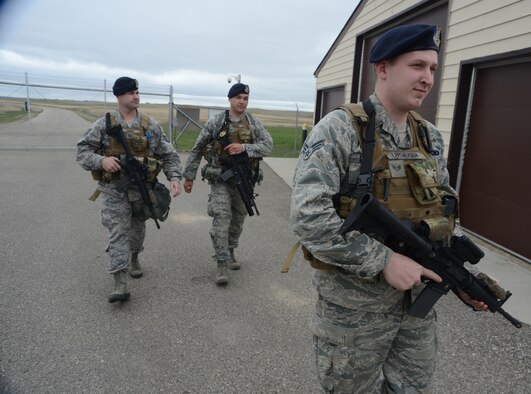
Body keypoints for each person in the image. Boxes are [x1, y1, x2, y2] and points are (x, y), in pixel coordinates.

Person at [290, 25, 494, 392]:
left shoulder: (428, 137)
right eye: (417, 65)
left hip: (416, 308)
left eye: (432, 68)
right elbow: (308, 217)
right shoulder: (340, 130)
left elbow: (443, 213)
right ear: (382, 68)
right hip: (355, 312)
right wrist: (383, 260)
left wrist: (462, 277)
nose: (427, 78)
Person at [76, 76, 182, 303]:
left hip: (142, 190)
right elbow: (82, 151)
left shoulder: (150, 125)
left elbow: (168, 154)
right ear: (118, 96)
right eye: (131, 92)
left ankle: (134, 256)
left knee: (136, 231)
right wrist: (100, 161)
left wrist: (174, 177)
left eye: (137, 92)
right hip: (114, 190)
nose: (136, 96)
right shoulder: (104, 124)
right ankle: (119, 282)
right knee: (117, 232)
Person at [183, 83, 272, 285]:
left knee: (238, 219)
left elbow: (268, 146)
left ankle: (231, 250)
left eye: (245, 98)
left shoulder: (253, 123)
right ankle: (221, 263)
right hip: (221, 178)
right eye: (238, 97)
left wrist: (244, 148)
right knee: (222, 218)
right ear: (230, 99)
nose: (242, 101)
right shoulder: (216, 123)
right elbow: (197, 149)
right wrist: (189, 176)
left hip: (244, 180)